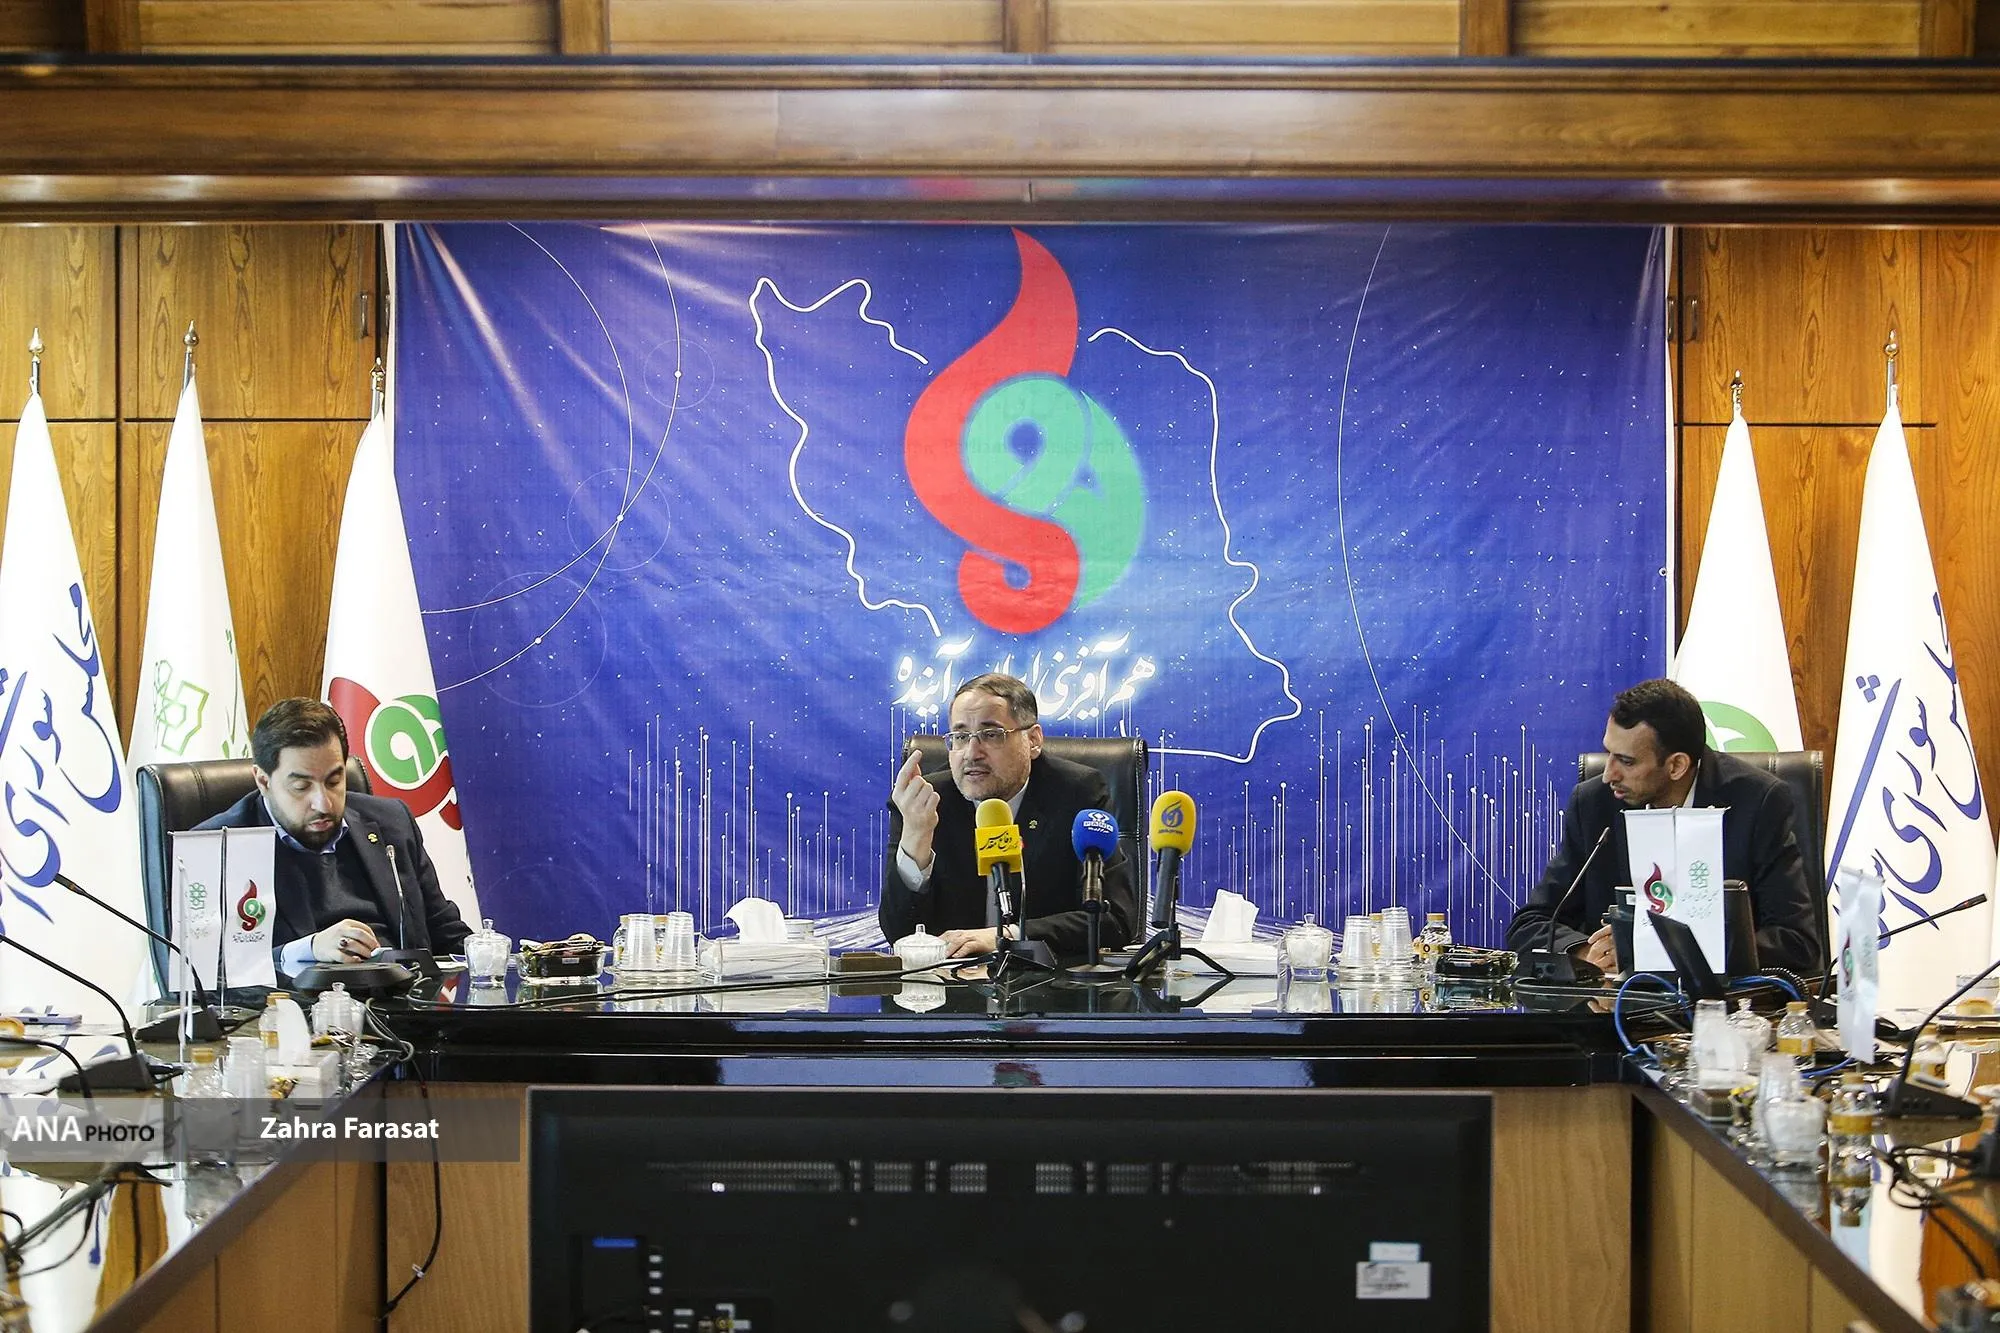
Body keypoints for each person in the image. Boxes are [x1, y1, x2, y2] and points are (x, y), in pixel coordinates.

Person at [1507, 678, 1822, 978]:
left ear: (1676, 765)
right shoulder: (1594, 805)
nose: (1608, 774)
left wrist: (1662, 947)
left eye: (1626, 761)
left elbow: (1796, 942)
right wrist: (1584, 952)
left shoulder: (1758, 802)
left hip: (1721, 1004)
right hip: (1619, 1004)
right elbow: (1530, 924)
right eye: (1608, 753)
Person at [198, 697, 471, 979]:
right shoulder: (216, 848)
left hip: (405, 998)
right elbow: (201, 970)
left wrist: (489, 955)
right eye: (301, 787)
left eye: (333, 781)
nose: (323, 803)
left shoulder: (392, 822)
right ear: (263, 781)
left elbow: (446, 933)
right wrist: (309, 949)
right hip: (300, 1004)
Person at [880, 673, 1138, 961]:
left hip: (1046, 981)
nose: (972, 753)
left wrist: (1005, 936)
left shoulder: (1078, 794)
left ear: (1033, 741)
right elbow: (900, 934)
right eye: (960, 736)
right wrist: (916, 838)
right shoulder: (926, 802)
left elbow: (1116, 921)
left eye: (991, 734)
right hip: (951, 984)